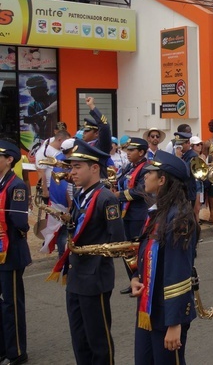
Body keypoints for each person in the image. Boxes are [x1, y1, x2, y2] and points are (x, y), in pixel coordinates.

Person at [48, 138, 126, 365]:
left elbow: (118, 240)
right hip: (75, 276)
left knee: (98, 342)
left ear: (94, 168)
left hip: (94, 278)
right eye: (71, 166)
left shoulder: (106, 197)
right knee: (79, 340)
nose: (72, 172)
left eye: (77, 166)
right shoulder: (82, 194)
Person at [130, 150, 198, 365]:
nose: (145, 176)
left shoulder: (180, 218)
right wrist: (134, 277)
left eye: (150, 172)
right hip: (148, 308)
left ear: (162, 180)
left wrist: (175, 323)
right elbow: (144, 252)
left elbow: (178, 271)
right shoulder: (158, 211)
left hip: (167, 314)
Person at [0, 141, 31, 365]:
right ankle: (3, 348)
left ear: (9, 159)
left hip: (10, 251)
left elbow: (20, 221)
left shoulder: (16, 185)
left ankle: (17, 351)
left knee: (11, 304)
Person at [115, 137, 151, 295]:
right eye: (127, 149)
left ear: (142, 152)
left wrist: (118, 195)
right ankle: (133, 280)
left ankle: (142, 281)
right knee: (127, 250)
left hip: (138, 214)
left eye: (131, 150)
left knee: (138, 250)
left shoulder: (146, 168)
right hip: (126, 213)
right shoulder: (129, 166)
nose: (127, 153)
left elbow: (140, 191)